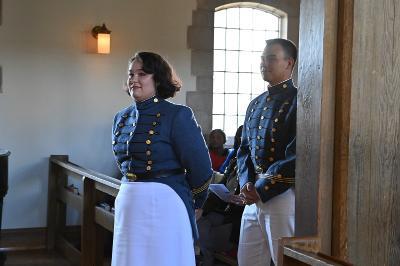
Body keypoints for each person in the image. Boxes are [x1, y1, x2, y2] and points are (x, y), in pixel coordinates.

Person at [111, 52, 213, 266]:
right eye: (131, 74)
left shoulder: (177, 115)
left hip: (165, 201)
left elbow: (201, 167)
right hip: (129, 199)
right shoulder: (121, 117)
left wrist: (197, 202)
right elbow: (123, 162)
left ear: (157, 78)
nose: (134, 79)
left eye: (142, 74)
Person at [237, 38, 297, 266]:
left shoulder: (299, 100)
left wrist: (261, 189)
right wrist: (246, 183)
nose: (264, 63)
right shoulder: (255, 103)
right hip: (252, 196)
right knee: (248, 261)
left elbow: (296, 154)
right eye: (262, 58)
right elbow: (243, 150)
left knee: (285, 262)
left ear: (289, 63)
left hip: (280, 194)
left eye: (271, 58)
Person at [197, 126, 244, 266]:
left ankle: (211, 258)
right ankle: (207, 259)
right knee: (196, 220)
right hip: (224, 209)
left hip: (237, 215)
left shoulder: (258, 163)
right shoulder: (235, 159)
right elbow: (222, 184)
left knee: (203, 230)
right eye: (239, 138)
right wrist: (202, 209)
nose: (241, 141)